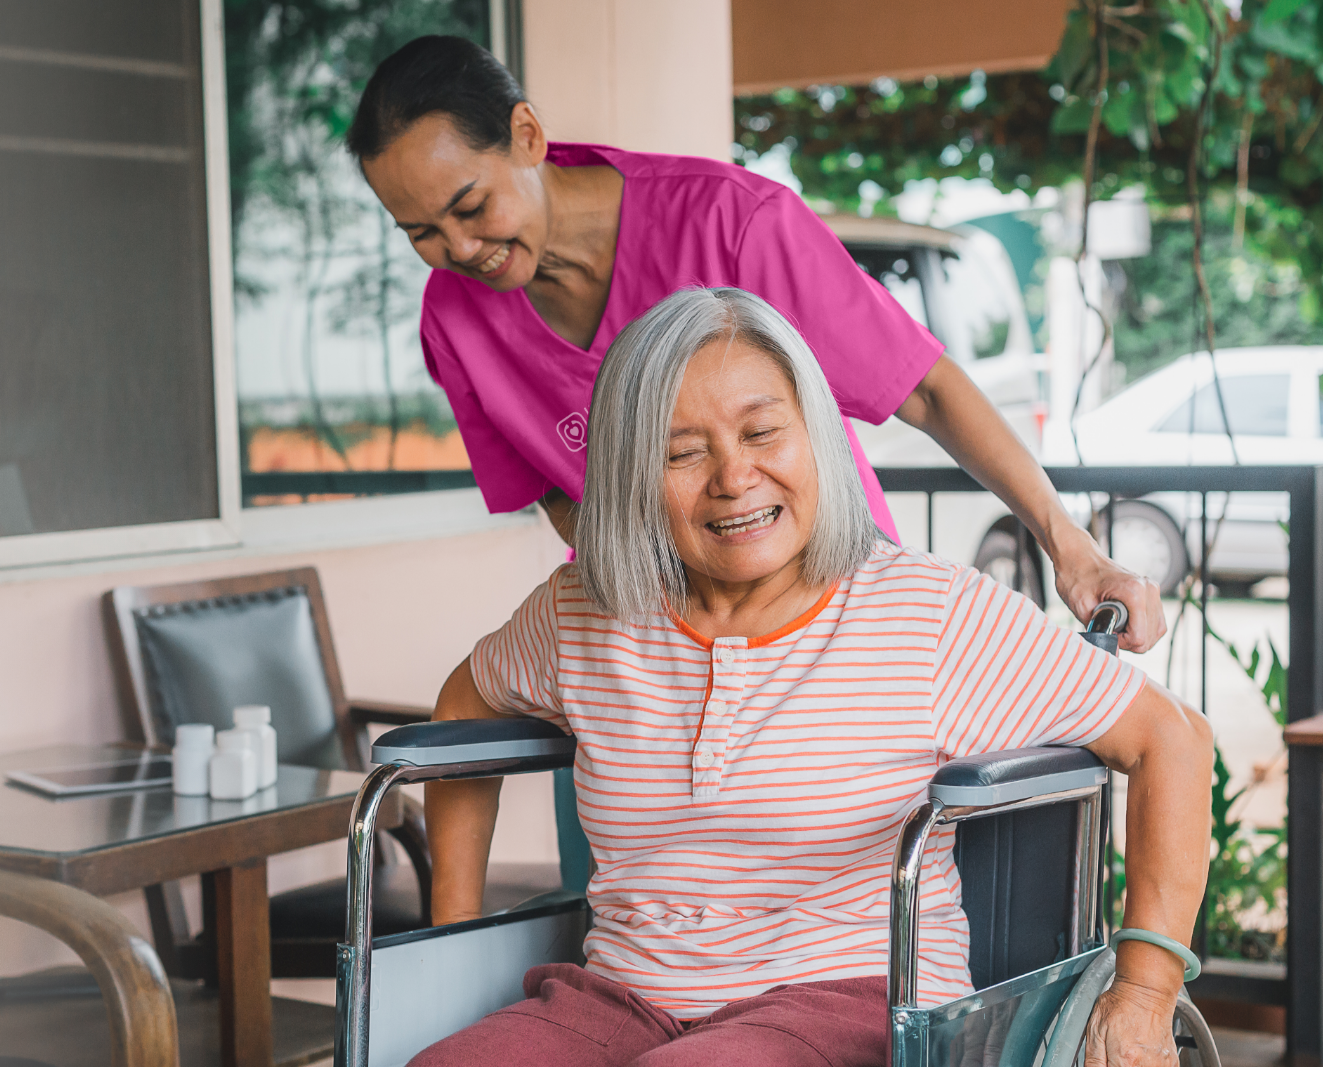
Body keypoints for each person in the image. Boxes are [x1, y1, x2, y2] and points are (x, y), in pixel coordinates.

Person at [352, 288, 1212, 1067]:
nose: (732, 477)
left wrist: (1144, 987)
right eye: (682, 451)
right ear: (634, 471)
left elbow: (1170, 742)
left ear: (815, 438)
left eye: (762, 431)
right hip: (621, 996)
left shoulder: (924, 614)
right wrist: (457, 938)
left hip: (846, 1013)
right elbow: (465, 703)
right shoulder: (588, 609)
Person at [350, 35, 1165, 653]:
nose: (458, 249)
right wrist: (660, 593)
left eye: (469, 206)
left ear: (526, 134)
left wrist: (1073, 550)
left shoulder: (733, 224)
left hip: (826, 634)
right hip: (649, 652)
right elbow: (558, 495)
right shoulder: (451, 318)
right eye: (419, 231)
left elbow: (922, 387)